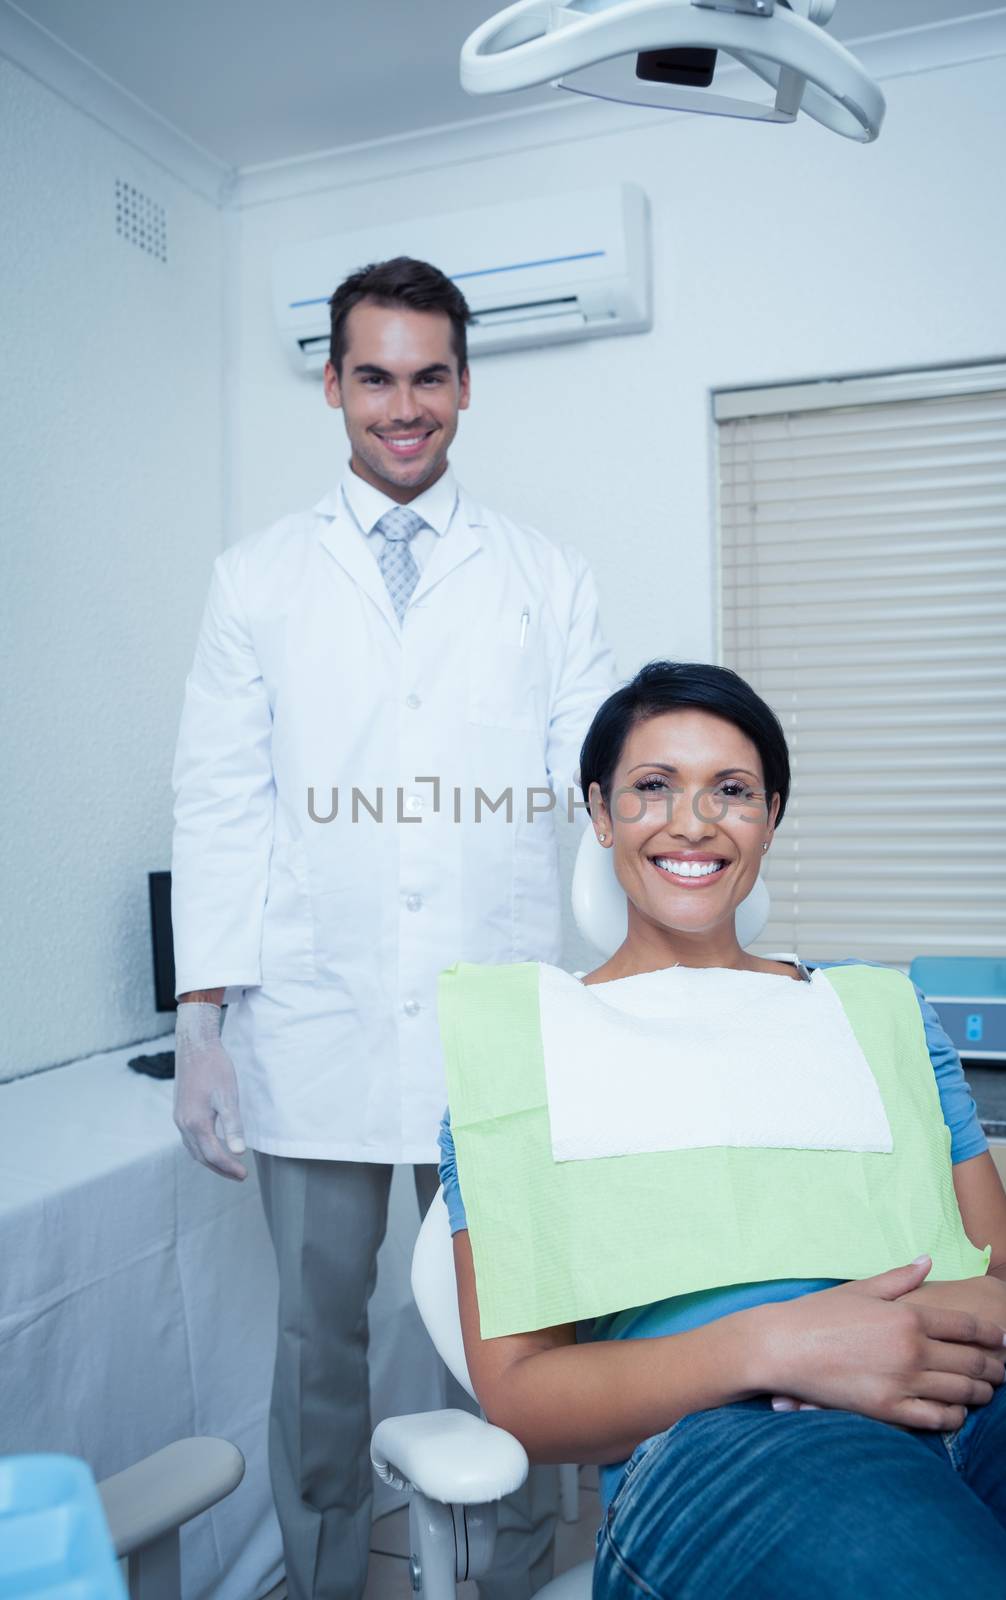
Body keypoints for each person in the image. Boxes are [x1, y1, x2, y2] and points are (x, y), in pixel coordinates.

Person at [170, 256, 617, 1600]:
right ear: (333, 384)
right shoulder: (255, 581)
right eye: (375, 375)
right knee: (319, 1343)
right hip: (309, 1028)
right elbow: (218, 800)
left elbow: (598, 795)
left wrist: (627, 987)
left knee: (512, 1332)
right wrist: (201, 1026)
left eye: (430, 376)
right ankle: (318, 1578)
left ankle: (517, 1570)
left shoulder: (546, 578)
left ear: (465, 386)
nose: (403, 405)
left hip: (494, 1039)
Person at [437, 661, 1006, 1598]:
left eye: (731, 791)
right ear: (600, 814)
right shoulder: (519, 1048)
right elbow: (523, 1396)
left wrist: (934, 1326)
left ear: (769, 819)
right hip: (727, 1439)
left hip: (981, 1394)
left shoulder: (878, 1010)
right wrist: (778, 1345)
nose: (692, 822)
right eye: (653, 787)